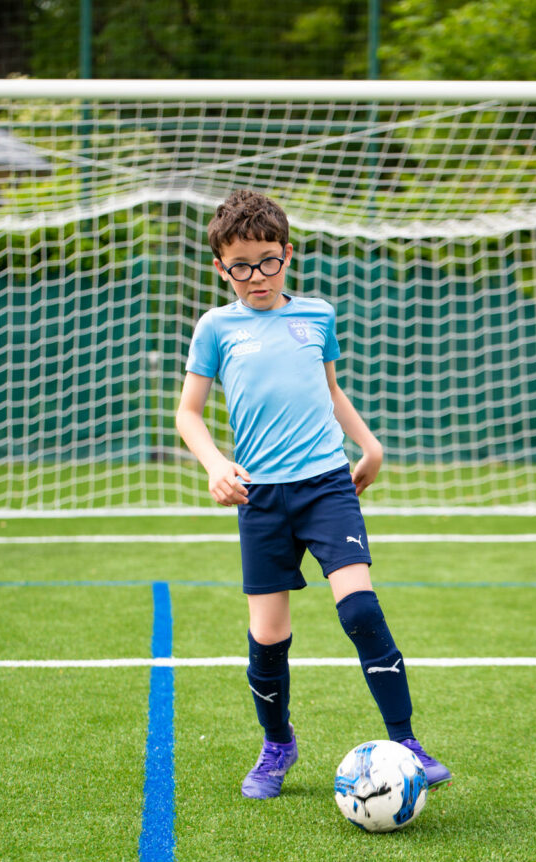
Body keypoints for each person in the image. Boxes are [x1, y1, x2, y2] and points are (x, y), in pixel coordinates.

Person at [176, 189, 452, 800]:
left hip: (328, 483)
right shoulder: (216, 327)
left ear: (288, 255)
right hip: (261, 497)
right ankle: (277, 744)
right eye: (241, 266)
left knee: (359, 610)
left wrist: (370, 446)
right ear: (220, 268)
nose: (257, 276)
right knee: (269, 636)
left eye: (268, 260)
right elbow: (188, 413)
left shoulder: (317, 315)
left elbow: (331, 391)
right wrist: (217, 463)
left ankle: (405, 740)